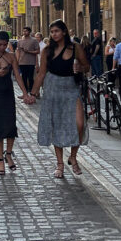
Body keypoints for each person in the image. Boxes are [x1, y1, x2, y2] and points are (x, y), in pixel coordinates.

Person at [31, 19, 89, 178]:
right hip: (52, 89)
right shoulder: (47, 51)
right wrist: (33, 93)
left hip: (71, 88)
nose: (54, 34)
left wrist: (80, 67)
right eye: (52, 32)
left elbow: (87, 66)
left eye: (57, 31)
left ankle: (73, 157)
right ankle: (60, 164)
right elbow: (41, 73)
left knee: (79, 123)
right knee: (57, 126)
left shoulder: (76, 48)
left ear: (64, 32)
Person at [0, 30, 34, 175]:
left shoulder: (11, 56)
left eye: (4, 45)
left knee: (10, 125)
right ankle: (0, 159)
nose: (2, 47)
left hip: (8, 93)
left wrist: (24, 92)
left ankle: (8, 153)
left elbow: (17, 75)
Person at [15, 26, 41, 94]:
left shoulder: (34, 40)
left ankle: (32, 92)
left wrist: (29, 51)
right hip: (22, 62)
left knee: (30, 78)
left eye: (26, 31)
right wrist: (17, 61)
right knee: (23, 77)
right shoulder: (20, 41)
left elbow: (38, 51)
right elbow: (18, 52)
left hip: (31, 62)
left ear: (29, 32)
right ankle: (25, 92)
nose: (24, 32)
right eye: (23, 31)